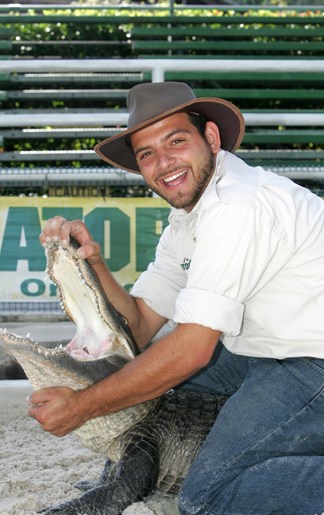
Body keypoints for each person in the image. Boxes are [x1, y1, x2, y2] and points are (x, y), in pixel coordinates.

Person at [29, 82, 324, 515]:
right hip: (266, 348)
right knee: (138, 381)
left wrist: (81, 407)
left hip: (311, 361)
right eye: (147, 153)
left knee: (209, 498)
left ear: (211, 138)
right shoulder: (188, 218)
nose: (163, 162)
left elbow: (190, 351)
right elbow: (140, 325)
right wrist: (93, 266)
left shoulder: (236, 207)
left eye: (176, 141)